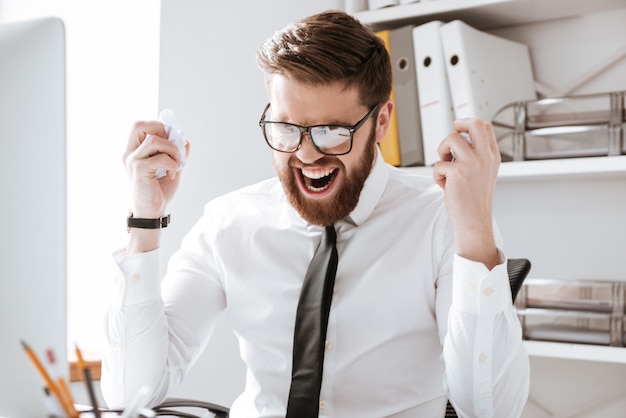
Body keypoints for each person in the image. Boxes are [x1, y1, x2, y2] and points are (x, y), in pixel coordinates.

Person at [101, 10, 529, 418]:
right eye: (286, 129)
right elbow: (131, 391)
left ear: (381, 122)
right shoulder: (229, 223)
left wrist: (474, 227)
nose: (307, 153)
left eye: (332, 131)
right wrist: (145, 220)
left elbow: (489, 409)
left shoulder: (443, 219)